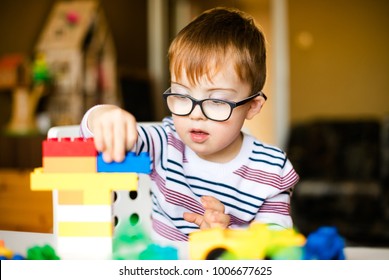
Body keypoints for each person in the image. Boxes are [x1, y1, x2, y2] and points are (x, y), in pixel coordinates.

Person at [80, 7, 299, 242]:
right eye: (182, 96)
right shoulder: (163, 142)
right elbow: (91, 139)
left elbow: (277, 248)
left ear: (252, 106)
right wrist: (104, 117)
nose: (195, 114)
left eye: (216, 101)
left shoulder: (270, 169)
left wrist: (227, 239)